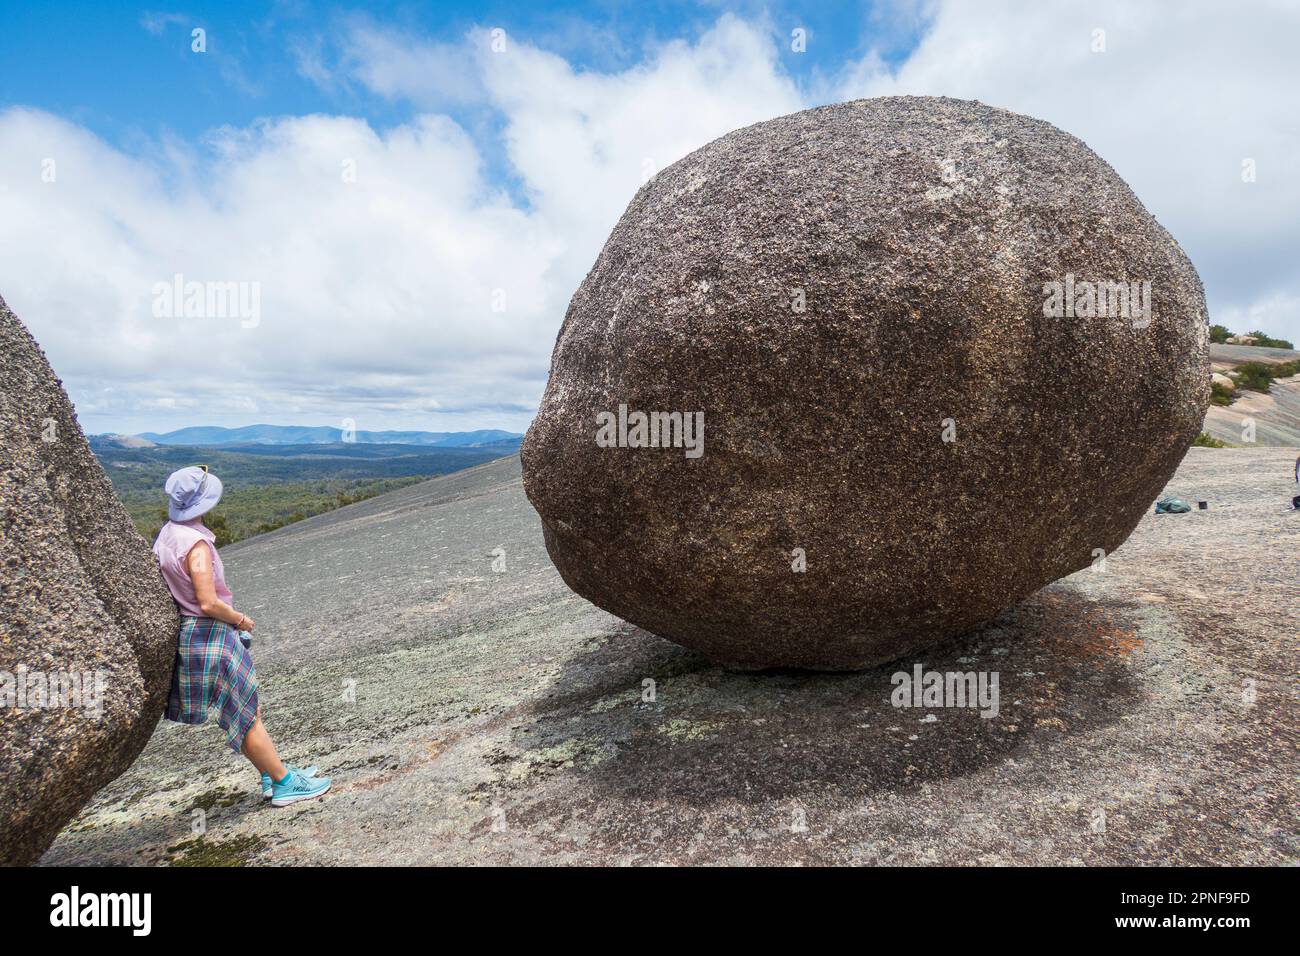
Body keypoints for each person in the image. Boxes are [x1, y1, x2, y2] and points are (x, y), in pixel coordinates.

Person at [152, 466, 330, 806]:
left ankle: (270, 770)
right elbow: (207, 601)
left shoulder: (168, 534)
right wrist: (240, 620)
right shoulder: (197, 545)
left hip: (195, 635)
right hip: (211, 634)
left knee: (245, 711)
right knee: (246, 716)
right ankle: (284, 784)